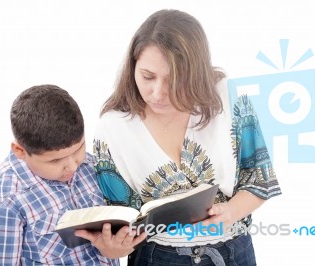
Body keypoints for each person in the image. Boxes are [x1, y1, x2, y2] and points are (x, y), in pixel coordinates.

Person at [89, 9, 281, 266]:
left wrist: (231, 211)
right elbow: (120, 221)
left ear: (196, 73)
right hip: (156, 257)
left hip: (233, 252)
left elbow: (259, 179)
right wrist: (113, 248)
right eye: (147, 76)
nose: (157, 93)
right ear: (132, 66)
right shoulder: (112, 127)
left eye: (173, 80)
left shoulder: (228, 97)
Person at [0, 84, 145, 265]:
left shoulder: (90, 164)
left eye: (79, 149)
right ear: (19, 150)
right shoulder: (0, 201)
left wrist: (113, 250)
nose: (72, 166)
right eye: (55, 161)